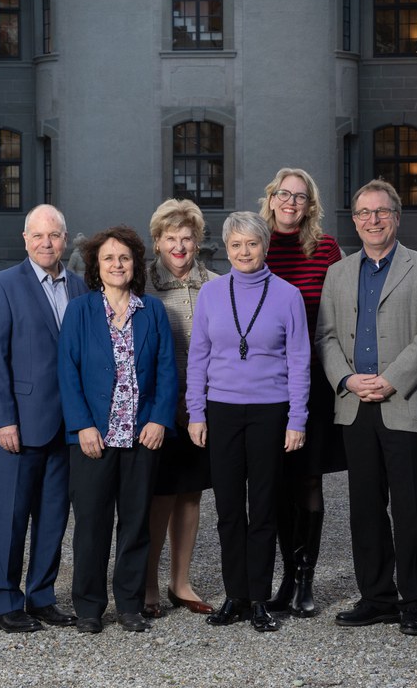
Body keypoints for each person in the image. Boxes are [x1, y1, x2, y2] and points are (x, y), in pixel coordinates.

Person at [316, 179, 417, 636]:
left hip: (405, 400)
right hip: (355, 404)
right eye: (363, 213)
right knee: (364, 507)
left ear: (396, 216)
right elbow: (327, 337)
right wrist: (347, 379)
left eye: (381, 212)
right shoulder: (339, 272)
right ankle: (376, 597)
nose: (372, 220)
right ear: (354, 221)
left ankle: (415, 601)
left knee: (411, 506)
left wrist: (391, 380)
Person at [186, 211, 311, 633]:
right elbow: (198, 357)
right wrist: (196, 412)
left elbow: (299, 361)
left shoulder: (288, 295)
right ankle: (235, 595)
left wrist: (297, 419)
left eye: (252, 244)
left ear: (265, 247)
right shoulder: (211, 293)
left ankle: (259, 598)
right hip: (220, 409)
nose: (243, 252)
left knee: (263, 508)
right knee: (226, 509)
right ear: (227, 248)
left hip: (270, 411)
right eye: (236, 245)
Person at [58, 226, 178, 635]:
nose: (117, 264)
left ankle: (129, 604)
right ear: (96, 266)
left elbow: (166, 370)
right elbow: (67, 372)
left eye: (124, 258)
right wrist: (82, 425)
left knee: (135, 522)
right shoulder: (80, 311)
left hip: (141, 436)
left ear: (135, 264)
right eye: (108, 258)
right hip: (94, 438)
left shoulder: (153, 312)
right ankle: (89, 607)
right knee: (91, 524)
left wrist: (160, 418)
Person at [0, 204, 87, 633]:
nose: (47, 243)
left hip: (67, 426)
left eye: (55, 235)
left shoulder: (79, 288)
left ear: (65, 240)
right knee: (10, 518)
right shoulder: (1, 286)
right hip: (18, 426)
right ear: (25, 240)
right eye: (38, 236)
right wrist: (3, 420)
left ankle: (41, 596)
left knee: (53, 518)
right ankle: (5, 603)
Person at [258, 168, 345, 618]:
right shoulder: (258, 245)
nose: (291, 202)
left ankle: (306, 577)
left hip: (314, 380)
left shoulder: (326, 249)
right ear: (271, 199)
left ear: (310, 205)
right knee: (275, 481)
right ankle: (286, 577)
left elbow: (344, 311)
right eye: (284, 194)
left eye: (301, 196)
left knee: (309, 479)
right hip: (266, 384)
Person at [142, 199, 217, 619]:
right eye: (170, 237)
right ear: (157, 241)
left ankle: (180, 581)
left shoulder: (217, 283)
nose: (179, 245)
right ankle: (150, 581)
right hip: (159, 409)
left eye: (186, 237)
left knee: (190, 495)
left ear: (197, 241)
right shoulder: (143, 286)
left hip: (202, 408)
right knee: (159, 496)